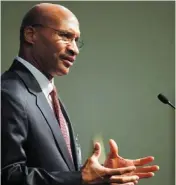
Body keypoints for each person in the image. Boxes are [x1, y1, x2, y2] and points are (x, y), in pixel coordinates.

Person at [1, 3, 159, 185]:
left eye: (76, 40)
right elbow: (7, 176)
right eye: (65, 36)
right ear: (31, 35)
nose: (74, 49)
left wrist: (99, 177)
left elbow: (61, 174)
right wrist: (81, 177)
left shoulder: (48, 95)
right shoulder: (8, 93)